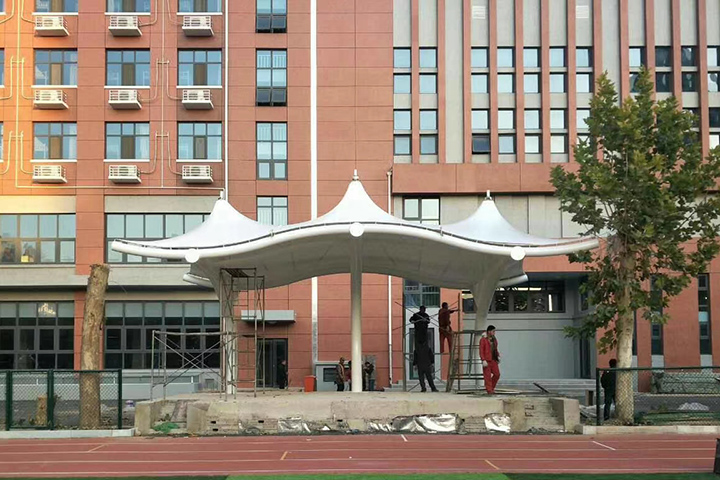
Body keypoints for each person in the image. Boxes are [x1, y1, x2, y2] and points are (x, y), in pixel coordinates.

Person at [479, 325, 501, 395]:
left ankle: (491, 387)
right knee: (487, 376)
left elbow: (495, 348)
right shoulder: (483, 340)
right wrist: (483, 360)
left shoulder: (494, 339)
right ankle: (489, 390)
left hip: (494, 360)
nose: (494, 333)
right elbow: (481, 350)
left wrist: (498, 355)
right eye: (493, 331)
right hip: (487, 360)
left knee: (497, 374)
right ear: (489, 331)